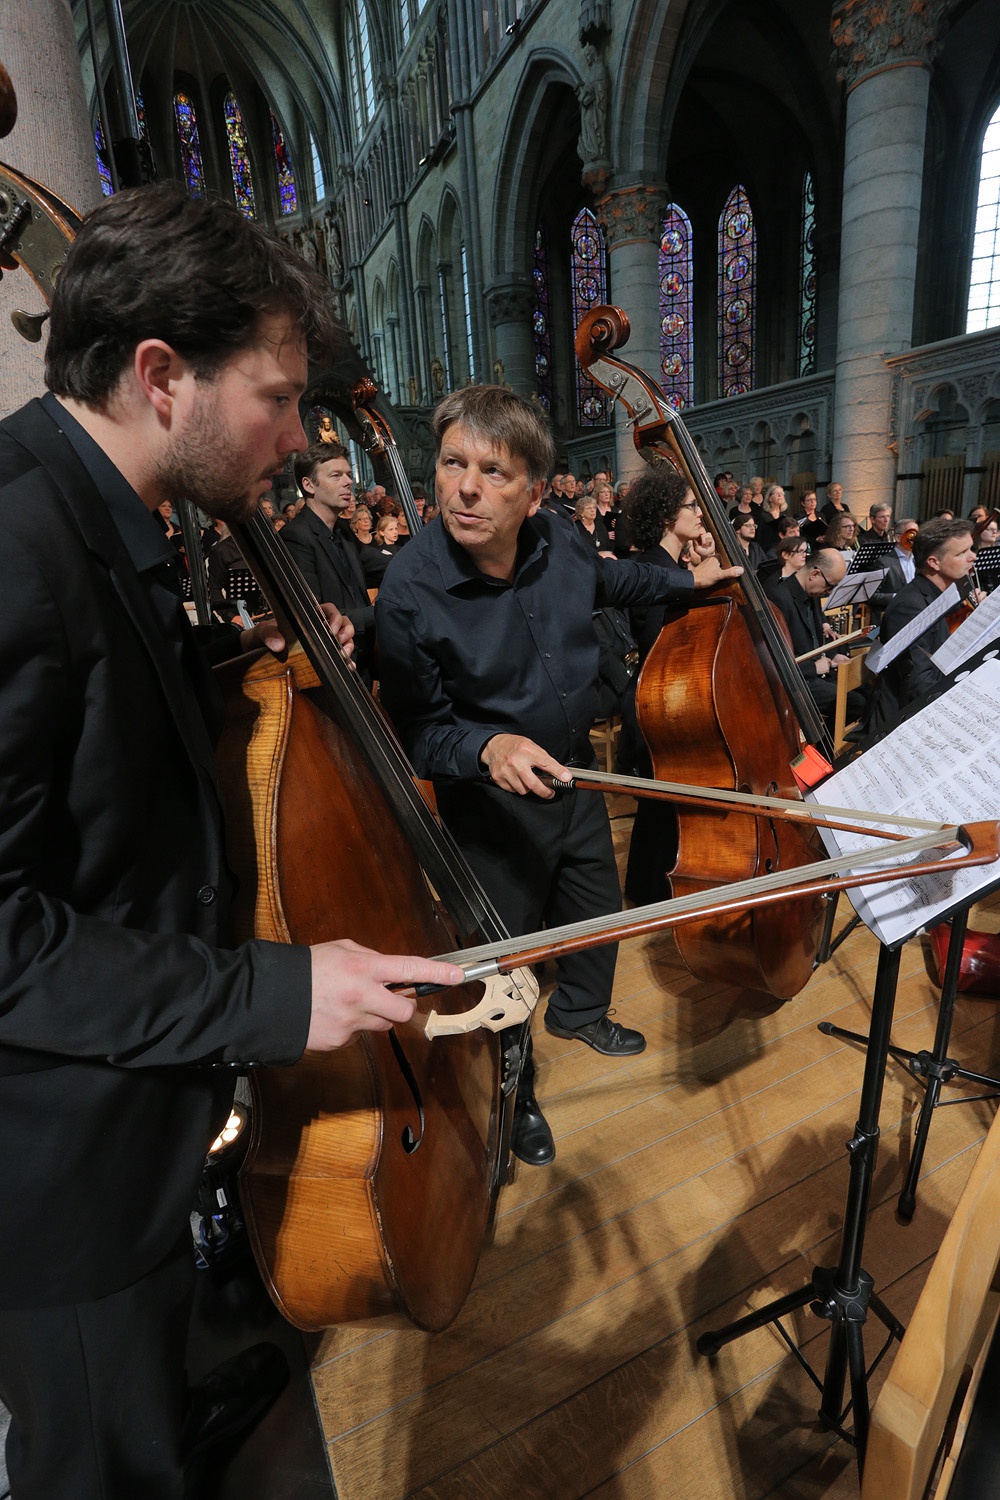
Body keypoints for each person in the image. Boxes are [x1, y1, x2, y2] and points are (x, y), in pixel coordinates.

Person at [0, 184, 462, 1500]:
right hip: (70, 1191)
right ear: (162, 375)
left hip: (156, 1124)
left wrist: (218, 677)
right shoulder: (14, 541)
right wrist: (271, 991)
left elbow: (82, 757)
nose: (299, 435)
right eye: (278, 396)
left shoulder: (101, 516)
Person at [375, 386, 742, 1168]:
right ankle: (518, 1089)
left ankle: (579, 1012)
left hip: (576, 780)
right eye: (452, 463)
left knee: (594, 908)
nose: (465, 487)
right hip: (494, 812)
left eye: (493, 471)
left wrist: (690, 584)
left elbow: (617, 583)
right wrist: (486, 748)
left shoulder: (560, 542)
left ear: (535, 492)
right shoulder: (410, 588)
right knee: (508, 960)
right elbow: (418, 733)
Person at [872, 517, 980, 727]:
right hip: (904, 716)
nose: (973, 557)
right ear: (933, 562)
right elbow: (919, 685)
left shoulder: (943, 595)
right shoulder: (909, 606)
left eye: (971, 549)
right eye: (962, 553)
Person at [281, 440, 376, 679]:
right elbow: (315, 616)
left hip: (365, 657)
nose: (348, 482)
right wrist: (379, 613)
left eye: (348, 475)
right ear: (309, 484)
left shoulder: (342, 530)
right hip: (337, 663)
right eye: (336, 475)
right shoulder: (296, 537)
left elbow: (379, 563)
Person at [770, 548, 854, 725]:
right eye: (830, 586)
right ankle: (825, 747)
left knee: (867, 690)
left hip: (819, 672)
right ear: (815, 574)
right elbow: (775, 662)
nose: (830, 592)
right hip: (799, 680)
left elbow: (815, 637)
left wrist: (833, 655)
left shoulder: (812, 592)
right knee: (854, 702)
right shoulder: (779, 599)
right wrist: (814, 668)